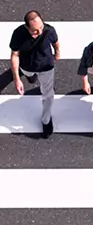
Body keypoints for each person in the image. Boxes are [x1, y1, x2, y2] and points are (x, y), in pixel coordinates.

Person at [9, 10, 59, 138]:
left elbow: (55, 42)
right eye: (35, 30)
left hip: (46, 66)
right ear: (27, 27)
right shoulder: (19, 34)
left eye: (41, 27)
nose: (39, 32)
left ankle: (46, 120)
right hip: (27, 66)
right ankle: (29, 77)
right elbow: (14, 55)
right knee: (30, 78)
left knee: (48, 94)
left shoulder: (49, 30)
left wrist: (57, 52)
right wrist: (16, 79)